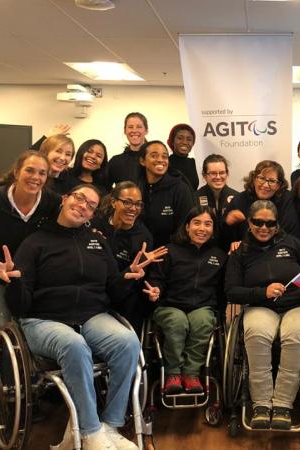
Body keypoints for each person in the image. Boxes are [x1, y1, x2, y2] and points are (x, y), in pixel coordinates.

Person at [0, 184, 153, 450]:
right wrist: (14, 282)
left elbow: (113, 288)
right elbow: (19, 306)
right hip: (44, 320)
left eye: (90, 205)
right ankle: (90, 432)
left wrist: (127, 278)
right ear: (65, 199)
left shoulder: (97, 241)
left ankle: (109, 426)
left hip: (90, 316)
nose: (83, 206)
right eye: (79, 198)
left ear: (92, 214)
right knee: (74, 346)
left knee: (128, 342)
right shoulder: (35, 242)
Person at [224, 200, 300, 430]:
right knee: (257, 335)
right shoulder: (240, 252)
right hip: (261, 306)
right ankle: (261, 404)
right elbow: (231, 291)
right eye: (258, 222)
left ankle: (282, 404)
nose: (264, 227)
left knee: (295, 336)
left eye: (270, 223)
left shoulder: (291, 243)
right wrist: (263, 292)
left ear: (277, 224)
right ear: (249, 223)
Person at [0, 150, 60, 327]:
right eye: (29, 170)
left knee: (33, 327)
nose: (35, 177)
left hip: (33, 278)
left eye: (42, 173)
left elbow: (60, 234)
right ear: (16, 172)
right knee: (9, 328)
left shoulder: (52, 203)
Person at [146, 206, 227, 395]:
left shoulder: (219, 256)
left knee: (202, 321)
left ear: (213, 229)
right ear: (187, 226)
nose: (202, 228)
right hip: (169, 305)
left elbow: (223, 289)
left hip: (203, 306)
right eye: (197, 223)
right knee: (177, 321)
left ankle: (191, 373)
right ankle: (173, 372)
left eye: (208, 224)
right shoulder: (169, 251)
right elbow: (156, 280)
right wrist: (155, 290)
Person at [91, 181, 162, 333]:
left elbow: (139, 280)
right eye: (127, 202)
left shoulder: (143, 237)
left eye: (138, 204)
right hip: (93, 293)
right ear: (113, 202)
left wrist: (153, 291)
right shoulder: (95, 224)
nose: (133, 209)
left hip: (123, 298)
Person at [224, 160, 299, 242]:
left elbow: (288, 234)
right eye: (262, 178)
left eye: (272, 181)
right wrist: (227, 224)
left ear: (278, 185)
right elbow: (225, 240)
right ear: (254, 179)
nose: (266, 185)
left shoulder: (287, 200)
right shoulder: (239, 201)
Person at [138, 140, 194, 248]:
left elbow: (185, 228)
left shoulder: (180, 188)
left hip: (170, 254)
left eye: (164, 156)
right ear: (142, 161)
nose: (160, 160)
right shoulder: (136, 188)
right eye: (154, 156)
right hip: (141, 252)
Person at [108, 112, 149, 186]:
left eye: (139, 127)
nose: (134, 130)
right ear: (125, 131)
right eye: (130, 127)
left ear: (146, 130)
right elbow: (105, 187)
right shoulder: (115, 161)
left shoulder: (153, 160)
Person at [167, 123, 199, 190]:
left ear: (193, 143)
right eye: (180, 138)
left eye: (189, 139)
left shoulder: (194, 163)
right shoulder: (166, 163)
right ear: (172, 141)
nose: (184, 142)